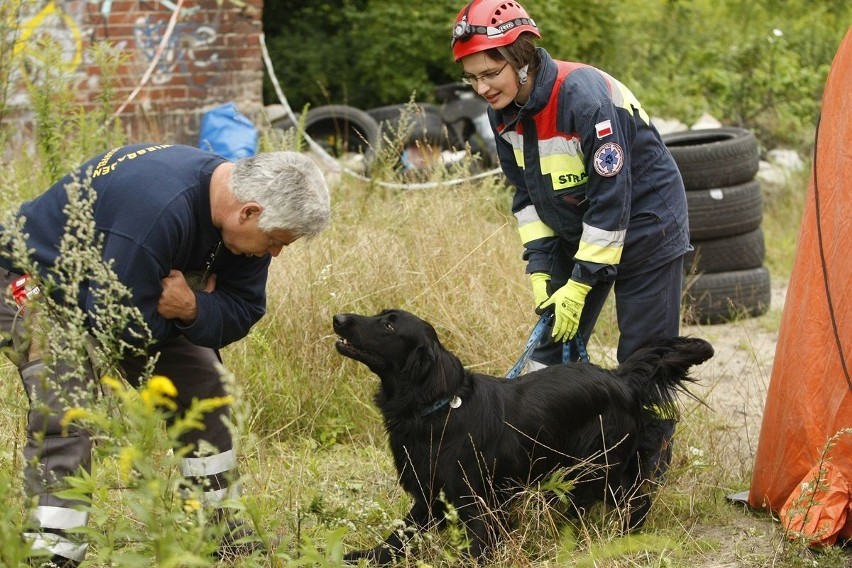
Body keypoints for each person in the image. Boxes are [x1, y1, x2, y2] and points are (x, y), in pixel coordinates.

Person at [0, 143, 331, 567]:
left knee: (206, 385)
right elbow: (118, 323)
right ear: (248, 212)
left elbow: (245, 308)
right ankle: (53, 552)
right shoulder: (157, 207)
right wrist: (186, 306)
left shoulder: (246, 230)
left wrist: (192, 307)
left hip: (127, 294)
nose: (275, 253)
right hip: (36, 281)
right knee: (67, 406)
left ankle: (221, 530)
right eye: (275, 242)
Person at [451, 0, 690, 476]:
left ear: (520, 56)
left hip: (645, 225)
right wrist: (542, 273)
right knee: (550, 352)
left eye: (489, 73)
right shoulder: (504, 114)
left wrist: (580, 285)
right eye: (471, 78)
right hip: (576, 226)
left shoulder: (584, 97)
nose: (481, 88)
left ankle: (644, 472)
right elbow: (525, 198)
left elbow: (611, 198)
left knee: (645, 360)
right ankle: (538, 466)